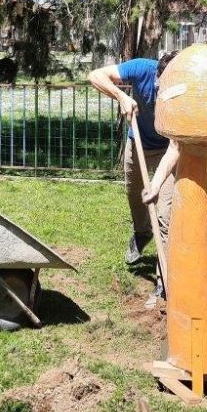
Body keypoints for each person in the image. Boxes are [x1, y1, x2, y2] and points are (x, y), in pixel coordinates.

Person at [88, 53, 177, 293]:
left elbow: (179, 145)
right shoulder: (142, 68)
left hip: (170, 149)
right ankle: (142, 233)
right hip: (137, 142)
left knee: (165, 214)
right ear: (157, 74)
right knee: (135, 196)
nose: (161, 92)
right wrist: (121, 96)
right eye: (159, 86)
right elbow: (95, 75)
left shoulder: (183, 89)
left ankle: (164, 279)